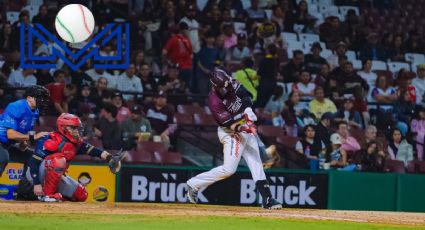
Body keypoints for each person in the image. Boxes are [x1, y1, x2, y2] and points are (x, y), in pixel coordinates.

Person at [186, 68, 282, 209]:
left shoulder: (229, 81)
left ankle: (267, 199)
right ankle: (194, 184)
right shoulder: (214, 101)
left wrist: (248, 109)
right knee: (229, 169)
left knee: (256, 163)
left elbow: (245, 95)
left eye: (227, 85)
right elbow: (229, 124)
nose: (227, 89)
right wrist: (245, 127)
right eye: (222, 88)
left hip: (244, 125)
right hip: (231, 133)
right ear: (214, 85)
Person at [19, 113, 124, 202]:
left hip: (55, 177)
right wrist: (37, 184)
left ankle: (54, 198)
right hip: (34, 175)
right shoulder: (49, 139)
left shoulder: (77, 143)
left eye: (77, 128)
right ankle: (48, 195)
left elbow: (94, 151)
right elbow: (33, 163)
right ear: (63, 128)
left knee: (82, 195)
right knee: (58, 160)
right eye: (73, 128)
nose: (76, 131)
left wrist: (109, 157)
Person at [0, 85, 51, 175]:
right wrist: (33, 137)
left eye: (44, 98)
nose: (42, 101)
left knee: (33, 158)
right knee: (3, 157)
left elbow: (25, 130)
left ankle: (23, 187)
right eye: (40, 98)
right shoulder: (16, 106)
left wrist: (23, 143)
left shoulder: (35, 111)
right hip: (2, 141)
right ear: (29, 98)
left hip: (8, 144)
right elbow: (10, 134)